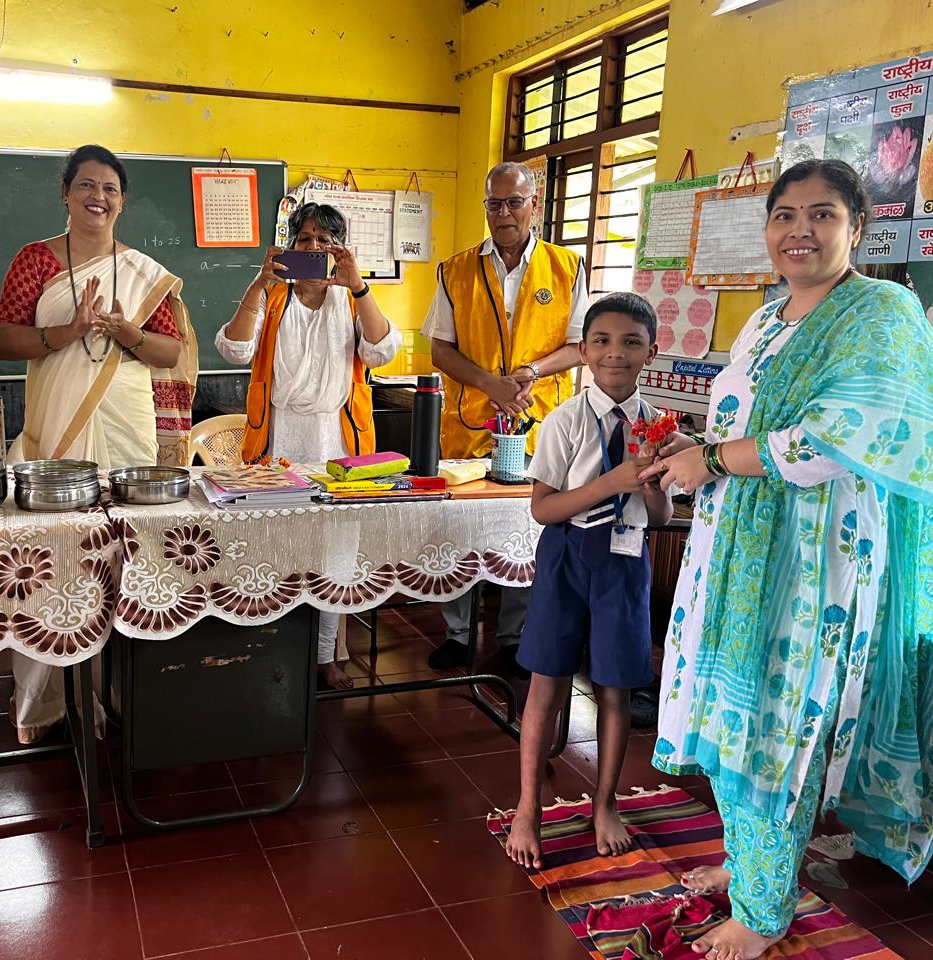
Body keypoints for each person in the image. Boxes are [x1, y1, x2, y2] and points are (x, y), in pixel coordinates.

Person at [640, 159, 933, 960]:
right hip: (733, 547)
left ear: (856, 228)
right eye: (785, 215)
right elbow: (744, 421)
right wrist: (700, 447)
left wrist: (718, 462)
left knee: (777, 719)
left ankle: (762, 911)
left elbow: (840, 435)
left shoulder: (881, 313)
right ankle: (753, 860)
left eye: (821, 215)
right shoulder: (765, 321)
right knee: (722, 704)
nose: (800, 231)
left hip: (817, 557)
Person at [0, 144, 197, 743]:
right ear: (65, 192)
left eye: (109, 188)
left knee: (125, 556)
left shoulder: (141, 272)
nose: (97, 198)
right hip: (56, 424)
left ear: (122, 199)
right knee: (52, 560)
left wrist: (130, 333)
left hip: (125, 424)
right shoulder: (35, 261)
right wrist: (67, 332)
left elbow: (169, 352)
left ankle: (122, 693)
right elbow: (4, 341)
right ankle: (47, 702)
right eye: (86, 186)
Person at [505, 292, 671, 866]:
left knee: (616, 687)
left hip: (625, 561)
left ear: (650, 352)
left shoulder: (659, 426)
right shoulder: (565, 421)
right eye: (601, 341)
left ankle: (605, 803)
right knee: (546, 682)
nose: (614, 354)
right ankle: (527, 808)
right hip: (566, 556)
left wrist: (648, 484)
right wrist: (613, 481)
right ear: (582, 350)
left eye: (630, 342)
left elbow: (662, 516)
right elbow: (543, 509)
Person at [216, 202, 402, 689]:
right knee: (274, 545)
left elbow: (383, 349)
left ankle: (325, 656)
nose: (314, 249)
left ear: (340, 250)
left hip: (337, 443)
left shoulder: (352, 298)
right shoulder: (274, 298)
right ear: (290, 246)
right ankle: (271, 646)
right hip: (279, 440)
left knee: (335, 551)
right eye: (305, 241)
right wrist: (260, 283)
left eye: (325, 241)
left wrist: (358, 285)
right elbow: (233, 348)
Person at [422, 161, 588, 675]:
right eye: (494, 203)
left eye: (514, 202)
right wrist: (490, 383)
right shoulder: (456, 269)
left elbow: (581, 345)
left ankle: (513, 636)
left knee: (525, 530)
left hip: (542, 423)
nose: (504, 213)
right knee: (459, 526)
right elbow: (439, 351)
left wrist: (530, 370)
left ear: (534, 206)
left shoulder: (567, 267)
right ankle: (456, 631)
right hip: (471, 421)